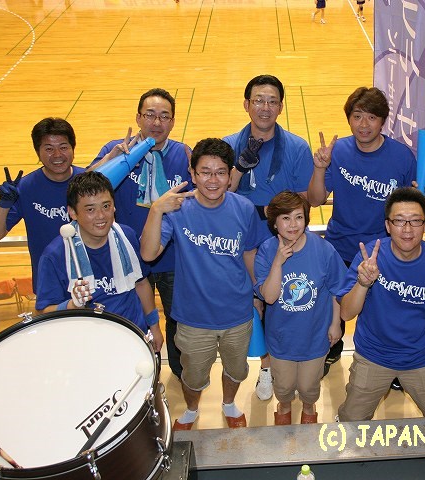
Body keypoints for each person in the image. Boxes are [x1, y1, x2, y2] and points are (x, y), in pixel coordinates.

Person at [140, 138, 269, 430]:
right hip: (193, 316)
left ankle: (229, 404)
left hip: (237, 313)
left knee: (236, 370)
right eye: (205, 172)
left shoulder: (244, 208)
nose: (213, 180)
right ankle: (191, 409)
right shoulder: (177, 209)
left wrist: (257, 295)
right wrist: (156, 210)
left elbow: (249, 253)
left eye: (220, 172)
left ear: (230, 174)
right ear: (192, 173)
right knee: (193, 375)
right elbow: (148, 254)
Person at [308, 86, 416, 381]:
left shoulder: (402, 157)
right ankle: (332, 351)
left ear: (383, 121)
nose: (364, 124)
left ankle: (390, 365)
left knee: (385, 312)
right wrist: (320, 168)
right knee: (335, 308)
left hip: (384, 251)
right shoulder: (338, 151)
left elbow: (411, 203)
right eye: (357, 116)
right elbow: (315, 199)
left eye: (371, 117)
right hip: (340, 246)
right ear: (349, 119)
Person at [90, 88, 192, 380]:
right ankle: (140, 375)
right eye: (150, 115)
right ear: (138, 118)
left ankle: (179, 373)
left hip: (171, 258)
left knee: (176, 320)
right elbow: (85, 186)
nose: (156, 122)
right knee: (135, 321)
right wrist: (110, 159)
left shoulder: (183, 154)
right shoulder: (117, 150)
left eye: (164, 116)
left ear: (173, 122)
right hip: (126, 259)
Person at [224, 74, 314, 401]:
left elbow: (304, 199)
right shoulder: (228, 145)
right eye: (258, 100)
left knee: (282, 301)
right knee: (253, 303)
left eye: (272, 101)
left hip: (281, 237)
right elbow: (219, 193)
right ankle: (265, 366)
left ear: (281, 107)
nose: (265, 107)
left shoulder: (297, 147)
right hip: (239, 237)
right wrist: (238, 166)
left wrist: (282, 223)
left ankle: (286, 363)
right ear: (246, 104)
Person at [336, 187, 425, 421]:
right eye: (399, 221)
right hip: (373, 356)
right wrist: (362, 283)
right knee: (351, 422)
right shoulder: (369, 258)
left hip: (420, 357)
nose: (407, 229)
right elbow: (346, 313)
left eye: (415, 221)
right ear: (388, 226)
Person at [34, 172, 163, 353]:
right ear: (72, 212)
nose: (101, 216)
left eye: (106, 206)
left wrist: (154, 326)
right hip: (86, 346)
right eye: (90, 210)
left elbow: (141, 284)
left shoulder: (127, 236)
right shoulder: (55, 255)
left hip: (133, 336)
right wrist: (72, 305)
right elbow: (42, 312)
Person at [254, 191, 346, 424]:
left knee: (308, 386)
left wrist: (335, 323)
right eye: (286, 218)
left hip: (315, 335)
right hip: (281, 337)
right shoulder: (266, 250)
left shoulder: (324, 250)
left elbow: (337, 289)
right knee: (283, 386)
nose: (293, 225)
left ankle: (308, 407)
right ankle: (283, 407)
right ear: (274, 223)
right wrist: (278, 262)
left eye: (298, 217)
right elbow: (270, 297)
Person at [0, 117, 84, 293]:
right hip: (49, 283)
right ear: (38, 152)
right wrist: (4, 204)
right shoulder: (25, 187)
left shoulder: (89, 182)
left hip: (91, 279)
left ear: (73, 148)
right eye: (49, 149)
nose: (57, 155)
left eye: (63, 147)